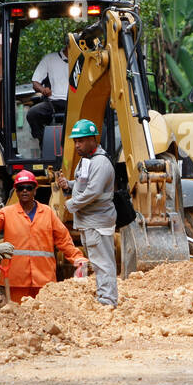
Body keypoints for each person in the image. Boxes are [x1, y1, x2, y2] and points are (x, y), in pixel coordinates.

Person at [0, 170, 87, 303]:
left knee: (43, 316)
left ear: (35, 190)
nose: (25, 191)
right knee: (18, 318)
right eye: (21, 188)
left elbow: (63, 240)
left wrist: (78, 259)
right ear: (16, 191)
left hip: (43, 279)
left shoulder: (48, 213)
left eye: (29, 188)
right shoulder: (6, 214)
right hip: (16, 280)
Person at [56, 120, 118, 308]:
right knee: (98, 262)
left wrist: (71, 204)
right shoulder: (87, 161)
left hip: (98, 222)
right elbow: (84, 184)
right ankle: (104, 298)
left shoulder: (100, 162)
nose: (77, 145)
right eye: (75, 141)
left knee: (103, 263)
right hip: (89, 222)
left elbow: (93, 191)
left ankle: (107, 302)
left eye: (81, 141)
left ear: (93, 139)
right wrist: (70, 185)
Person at [28, 48, 70, 153]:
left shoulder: (82, 59)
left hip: (75, 102)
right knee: (33, 113)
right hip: (53, 102)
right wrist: (43, 90)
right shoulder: (50, 58)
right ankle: (43, 140)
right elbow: (35, 82)